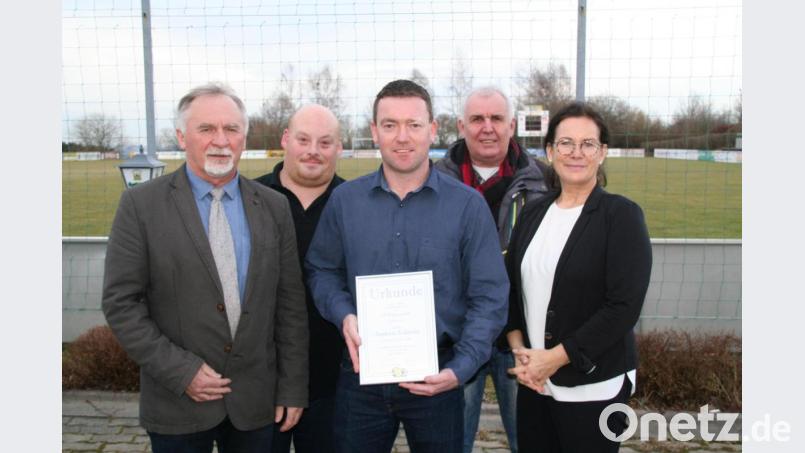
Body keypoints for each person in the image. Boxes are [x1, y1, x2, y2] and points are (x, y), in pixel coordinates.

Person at [102, 82, 309, 453]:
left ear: (244, 137)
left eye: (231, 129)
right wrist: (181, 371)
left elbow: (290, 305)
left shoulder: (274, 206)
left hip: (257, 404)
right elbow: (121, 304)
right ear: (182, 136)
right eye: (206, 129)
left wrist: (293, 387)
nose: (221, 140)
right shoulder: (141, 205)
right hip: (177, 402)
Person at [305, 79, 509, 453]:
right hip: (361, 374)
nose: (402, 137)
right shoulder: (345, 201)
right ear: (374, 131)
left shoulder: (467, 206)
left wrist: (460, 369)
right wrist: (344, 314)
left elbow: (490, 296)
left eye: (413, 125)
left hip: (439, 375)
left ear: (432, 130)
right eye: (390, 125)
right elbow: (322, 270)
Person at [505, 101, 652, 452]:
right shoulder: (532, 213)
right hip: (535, 382)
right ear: (550, 151)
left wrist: (553, 358)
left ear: (602, 152)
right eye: (566, 143)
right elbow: (512, 291)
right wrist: (520, 352)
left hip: (594, 387)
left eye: (588, 144)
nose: (576, 152)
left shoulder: (621, 216)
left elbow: (623, 307)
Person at [434, 86, 548, 453]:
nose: (487, 127)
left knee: (529, 439)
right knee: (451, 442)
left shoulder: (545, 180)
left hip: (523, 335)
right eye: (477, 119)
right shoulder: (432, 180)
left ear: (511, 125)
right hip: (457, 335)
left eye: (496, 118)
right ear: (460, 126)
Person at [255, 104, 345, 453]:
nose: (313, 151)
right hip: (263, 380)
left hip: (337, 381)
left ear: (339, 147)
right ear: (285, 139)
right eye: (303, 140)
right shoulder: (250, 199)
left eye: (325, 142)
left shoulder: (355, 203)